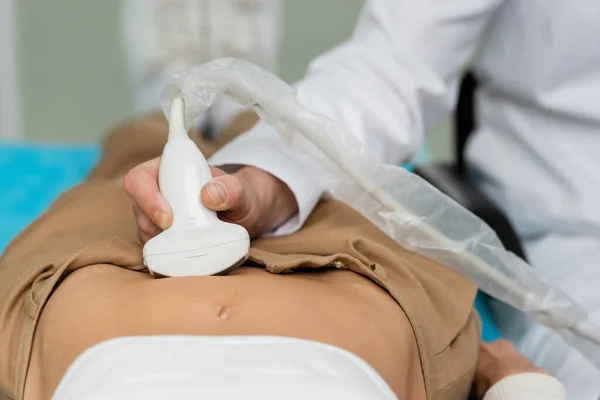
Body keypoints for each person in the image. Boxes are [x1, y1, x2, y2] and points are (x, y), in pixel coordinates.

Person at [125, 0, 600, 398]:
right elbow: (392, 65)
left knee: (138, 153)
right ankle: (187, 101)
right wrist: (264, 180)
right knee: (153, 160)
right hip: (571, 234)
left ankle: (185, 106)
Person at [0, 111, 566, 400]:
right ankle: (247, 108)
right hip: (351, 276)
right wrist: (513, 378)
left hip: (99, 274)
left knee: (141, 165)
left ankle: (167, 100)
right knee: (301, 152)